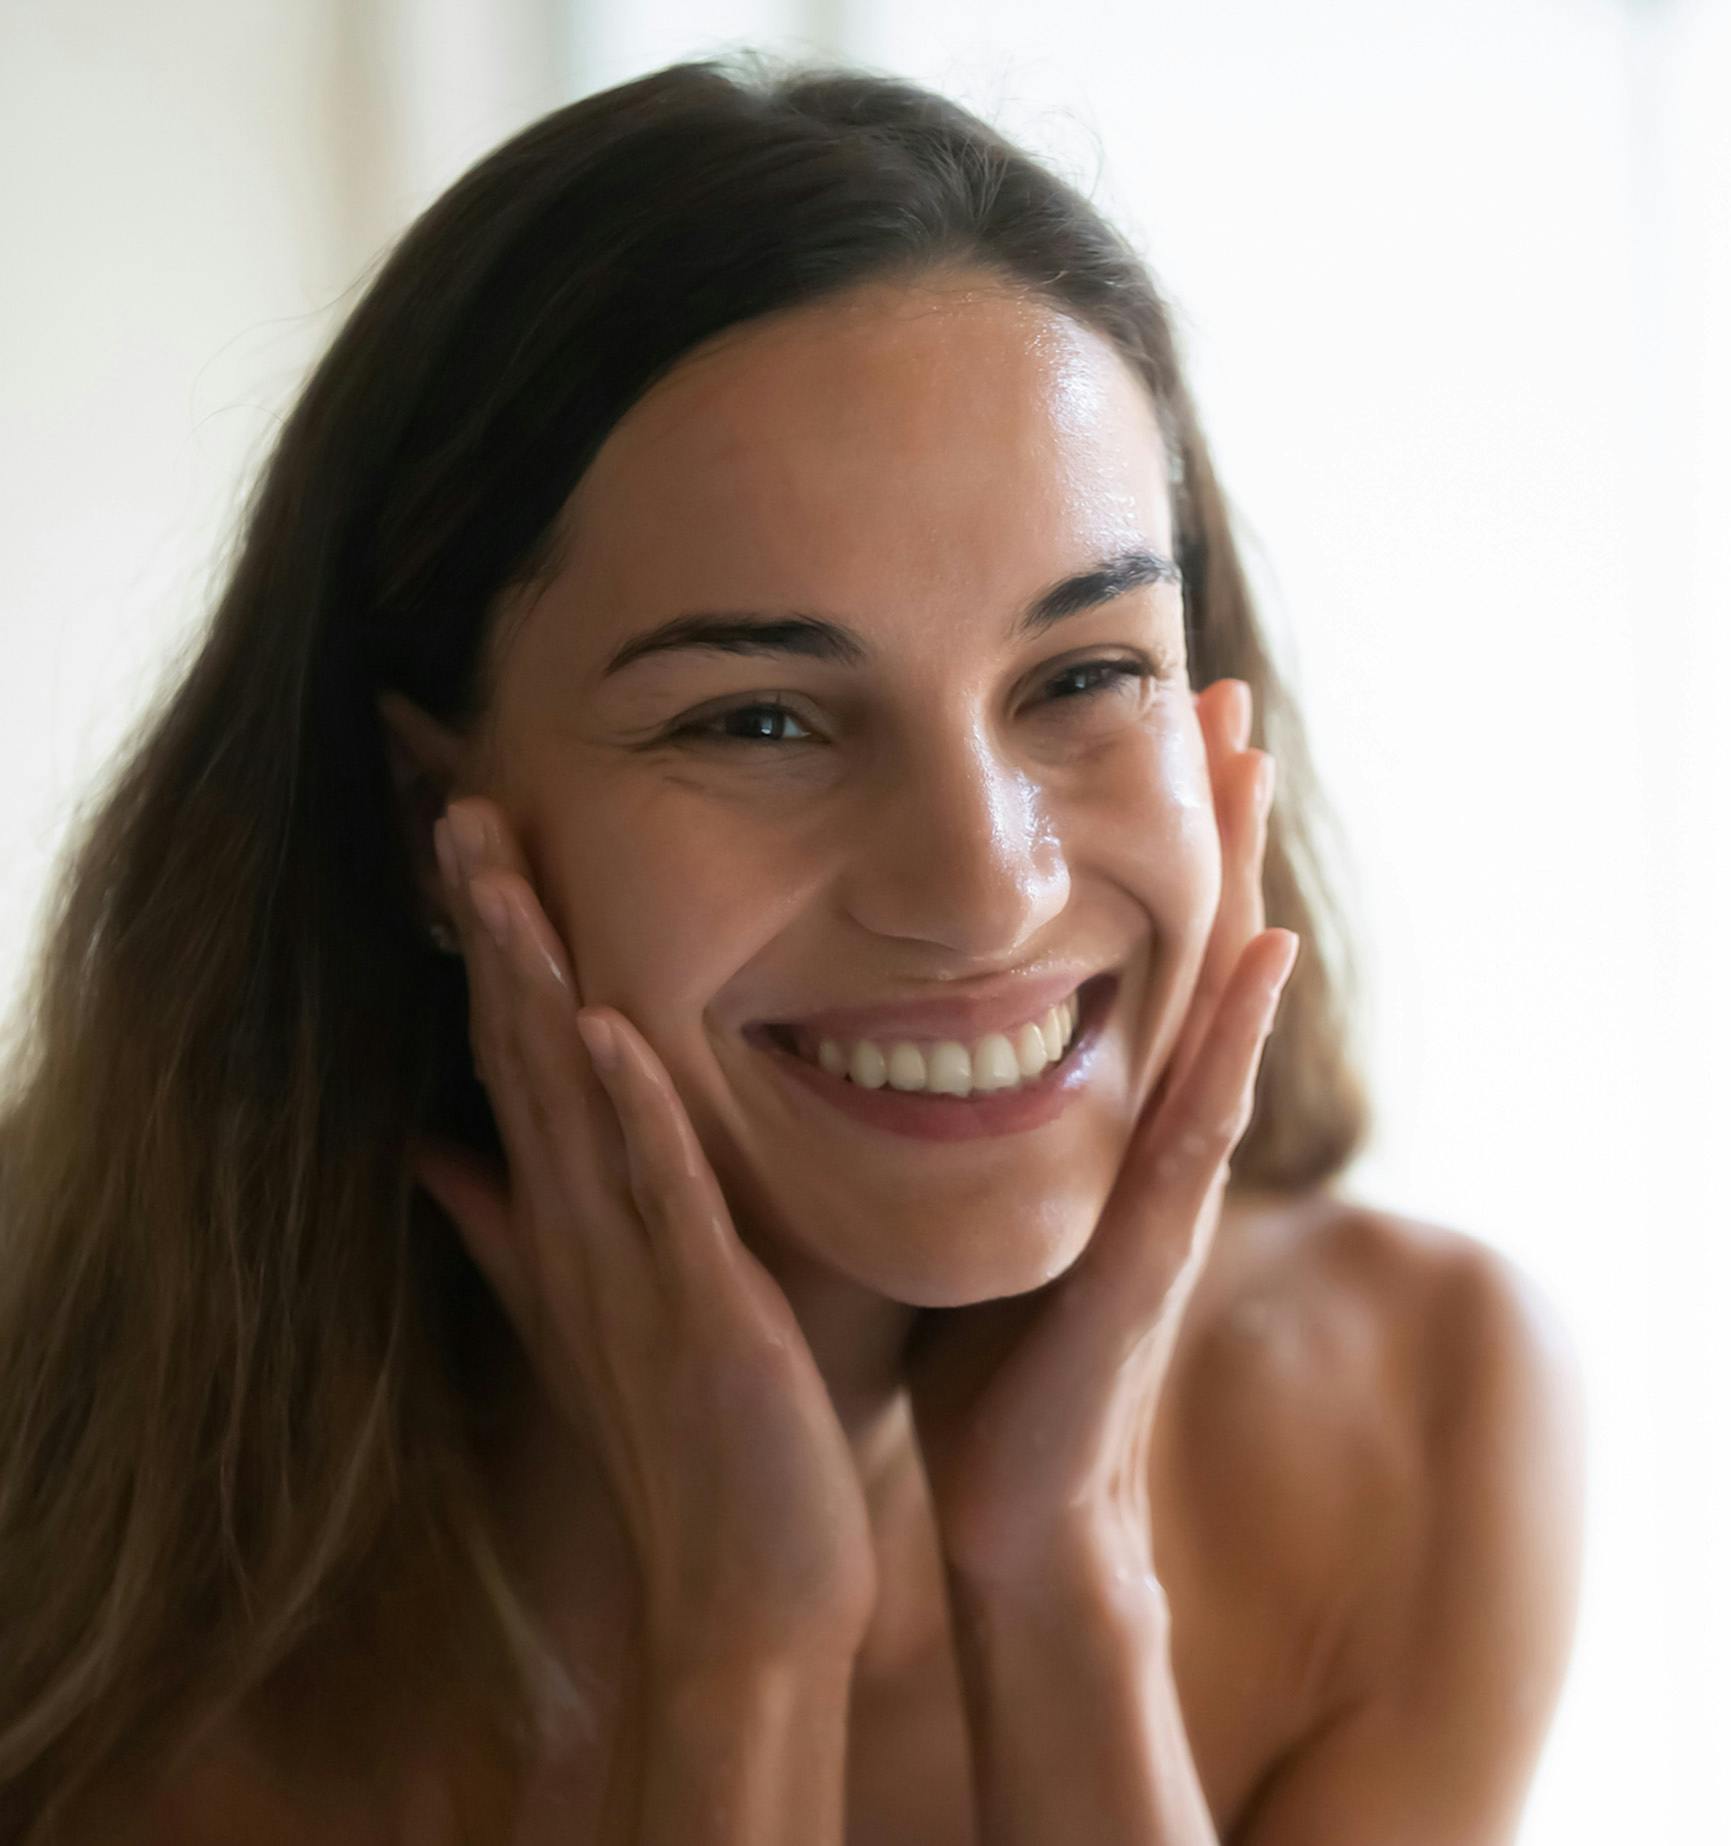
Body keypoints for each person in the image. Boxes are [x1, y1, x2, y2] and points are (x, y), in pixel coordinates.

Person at [0, 50, 1586, 1845]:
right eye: (758, 719)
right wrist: (746, 1647)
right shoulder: (94, 1609)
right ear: (428, 817)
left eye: (1085, 673)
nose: (985, 891)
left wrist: (1061, 1571)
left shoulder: (1422, 1421)